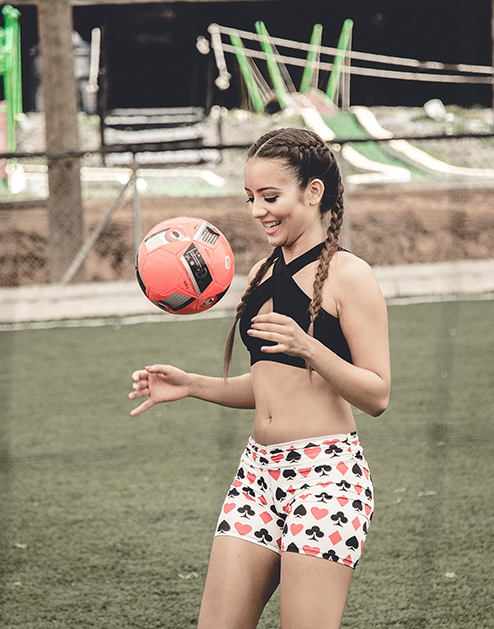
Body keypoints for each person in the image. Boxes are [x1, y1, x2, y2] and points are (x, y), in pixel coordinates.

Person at [127, 127, 391, 629]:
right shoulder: (261, 274)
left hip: (326, 478)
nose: (257, 211)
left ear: (313, 192)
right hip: (256, 475)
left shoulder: (349, 275)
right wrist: (192, 385)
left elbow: (377, 394)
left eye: (270, 197)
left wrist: (309, 346)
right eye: (250, 198)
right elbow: (272, 387)